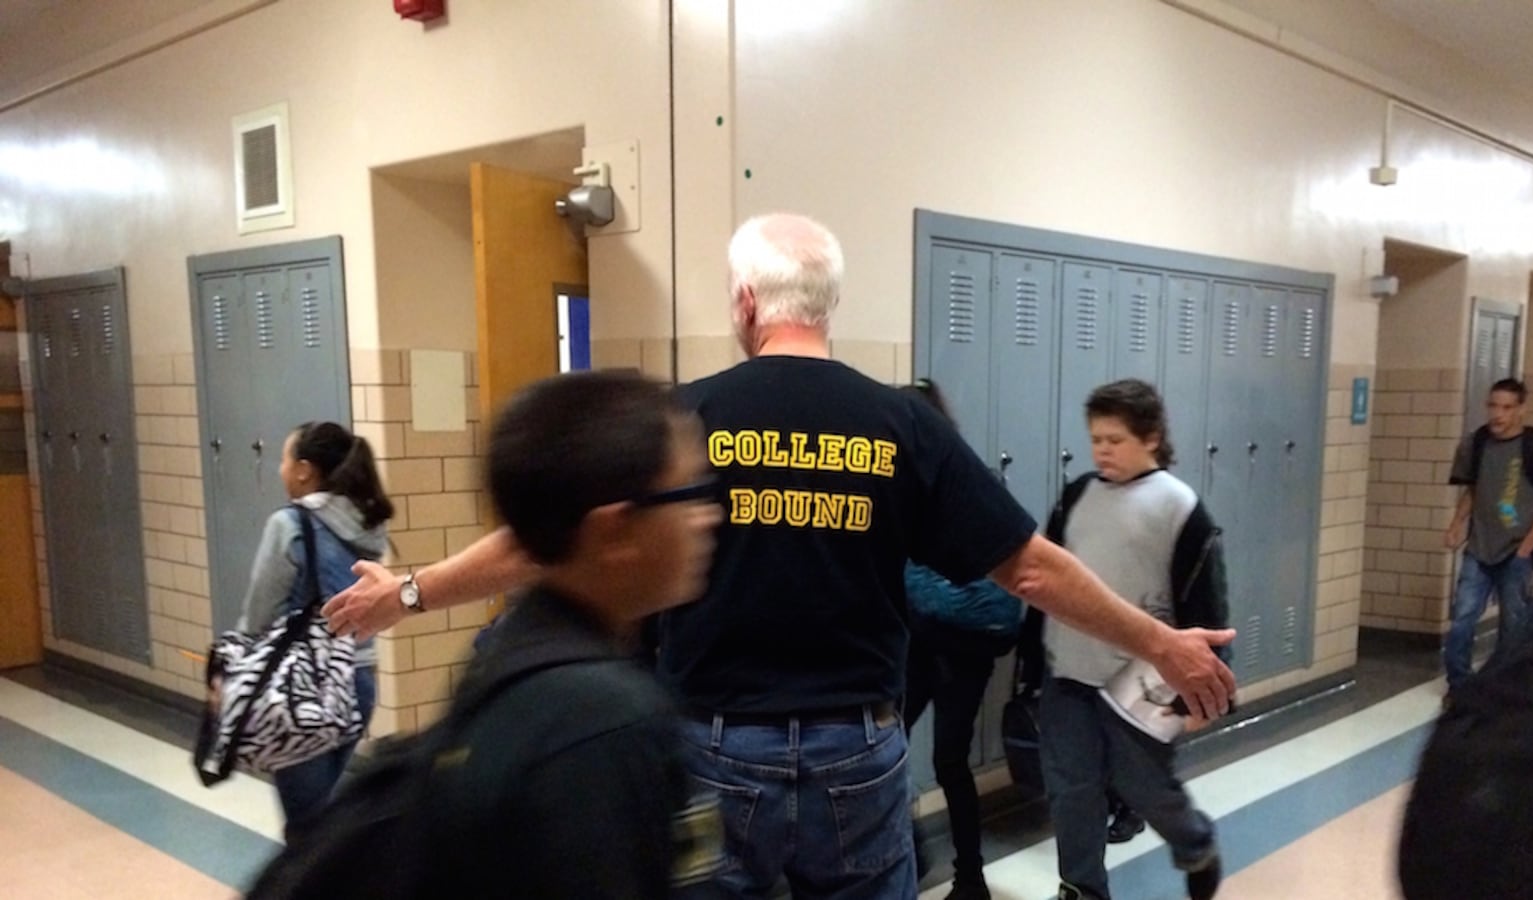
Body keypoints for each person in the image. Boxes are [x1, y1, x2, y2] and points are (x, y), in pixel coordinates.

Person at [323, 213, 1236, 899]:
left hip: (716, 745)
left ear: (746, 303)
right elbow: (1029, 568)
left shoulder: (686, 417)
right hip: (861, 750)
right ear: (828, 305)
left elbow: (552, 536)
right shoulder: (902, 424)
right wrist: (1161, 645)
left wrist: (410, 591)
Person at [417, 370, 724, 897]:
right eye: (688, 493)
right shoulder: (606, 722)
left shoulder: (509, 653)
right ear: (614, 533)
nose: (709, 516)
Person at [1037, 380, 1228, 900]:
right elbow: (1047, 577)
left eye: (1114, 439)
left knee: (1145, 787)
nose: (1101, 450)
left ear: (1151, 438)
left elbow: (1207, 605)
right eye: (1096, 438)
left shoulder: (1180, 508)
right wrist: (1033, 663)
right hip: (1069, 674)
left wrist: (1208, 687)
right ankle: (1081, 889)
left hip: (1140, 684)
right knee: (1071, 791)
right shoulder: (1077, 495)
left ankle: (1195, 842)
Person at [899, 379, 1023, 900]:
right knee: (904, 748)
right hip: (940, 638)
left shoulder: (931, 481)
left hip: (948, 641)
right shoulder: (958, 474)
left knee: (929, 754)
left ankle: (960, 873)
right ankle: (935, 862)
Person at [239, 421, 393, 843]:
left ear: (305, 469)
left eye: (285, 459)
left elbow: (259, 614)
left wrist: (237, 672)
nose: (279, 469)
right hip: (359, 682)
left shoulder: (289, 524)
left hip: (303, 692)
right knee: (320, 811)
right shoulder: (368, 521)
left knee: (306, 830)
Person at [1442, 377, 1533, 696]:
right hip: (1480, 547)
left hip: (1518, 549)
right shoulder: (1475, 444)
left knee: (1514, 622)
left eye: (1507, 408)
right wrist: (1457, 522)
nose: (1498, 414)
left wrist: (1526, 547)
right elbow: (1473, 489)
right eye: (1493, 406)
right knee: (1462, 621)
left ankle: (1505, 684)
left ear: (1521, 410)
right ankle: (1459, 684)